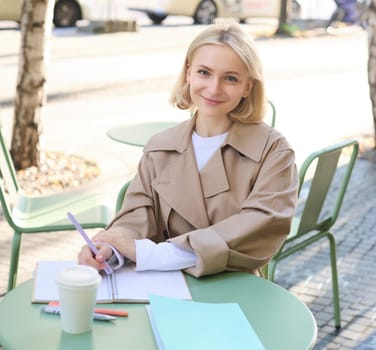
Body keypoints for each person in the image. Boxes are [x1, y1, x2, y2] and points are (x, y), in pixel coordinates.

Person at [78, 22, 298, 278]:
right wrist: (111, 247)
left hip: (236, 288)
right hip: (163, 286)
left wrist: (153, 255)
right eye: (204, 72)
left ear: (247, 87)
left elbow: (260, 226)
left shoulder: (274, 152)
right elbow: (137, 215)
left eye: (230, 78)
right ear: (188, 72)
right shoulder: (160, 148)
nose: (214, 89)